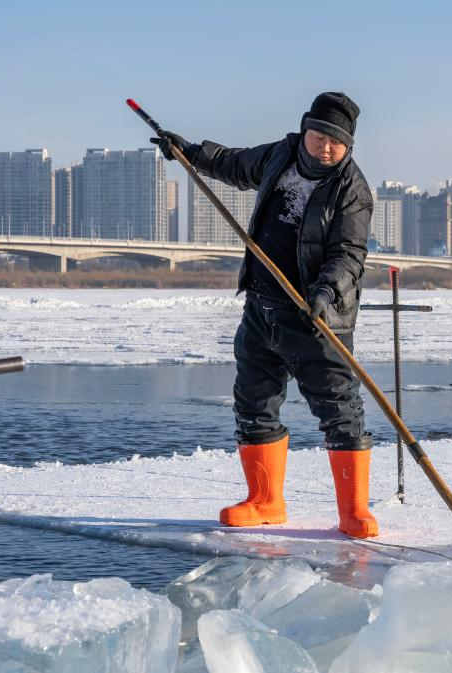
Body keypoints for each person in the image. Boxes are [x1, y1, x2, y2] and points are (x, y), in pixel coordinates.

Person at [151, 92, 377, 538]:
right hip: (261, 307)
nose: (325, 149)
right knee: (254, 403)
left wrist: (326, 293)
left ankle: (354, 511)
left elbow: (349, 254)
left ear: (348, 146)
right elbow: (234, 164)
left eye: (336, 143)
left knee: (339, 410)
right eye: (319, 137)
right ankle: (264, 501)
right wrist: (188, 153)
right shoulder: (280, 155)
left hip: (317, 318)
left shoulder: (352, 190)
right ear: (305, 131)